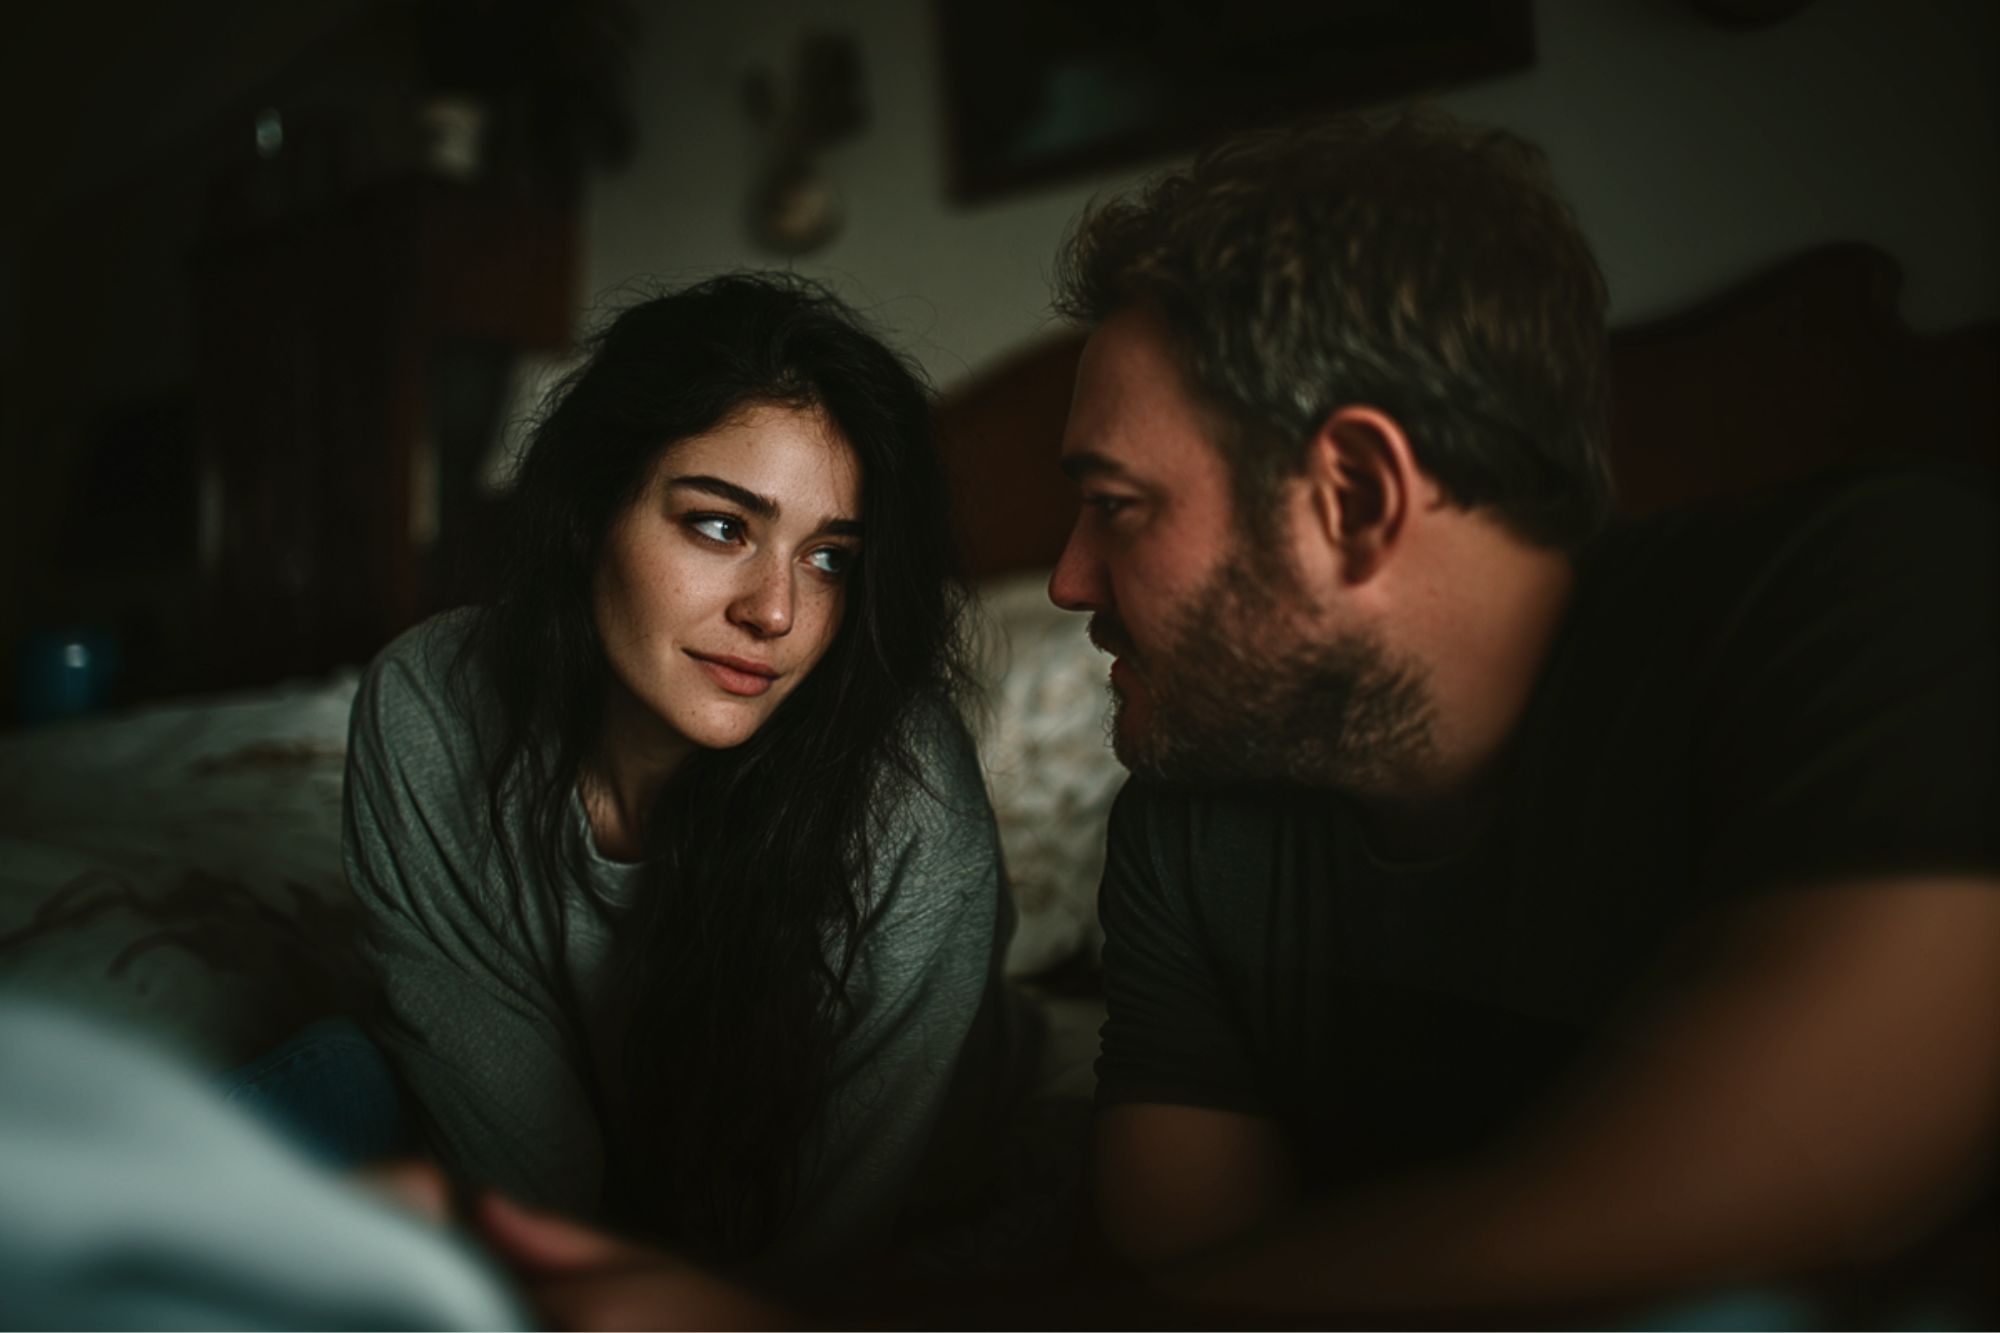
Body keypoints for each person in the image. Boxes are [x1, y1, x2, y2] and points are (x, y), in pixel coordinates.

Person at [1045, 110, 2000, 1318]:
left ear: (1354, 498)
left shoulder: (1867, 588)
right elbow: (1188, 1262)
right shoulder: (1183, 827)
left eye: (1115, 505)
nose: (1067, 580)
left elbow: (1856, 1142)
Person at [340, 272, 1019, 1293]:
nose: (775, 611)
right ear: (591, 510)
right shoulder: (429, 705)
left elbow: (816, 1268)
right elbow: (532, 1207)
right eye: (720, 526)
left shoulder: (904, 789)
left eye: (829, 559)